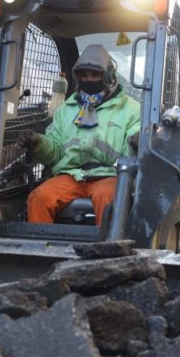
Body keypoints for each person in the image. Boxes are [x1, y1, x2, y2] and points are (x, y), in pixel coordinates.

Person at [17, 44, 141, 225]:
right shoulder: (66, 109)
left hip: (109, 176)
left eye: (95, 75)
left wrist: (137, 142)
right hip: (71, 175)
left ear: (108, 76)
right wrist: (37, 143)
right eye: (83, 75)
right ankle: (43, 250)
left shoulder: (130, 110)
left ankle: (109, 248)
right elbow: (55, 154)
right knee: (39, 197)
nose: (88, 79)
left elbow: (131, 155)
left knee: (108, 199)